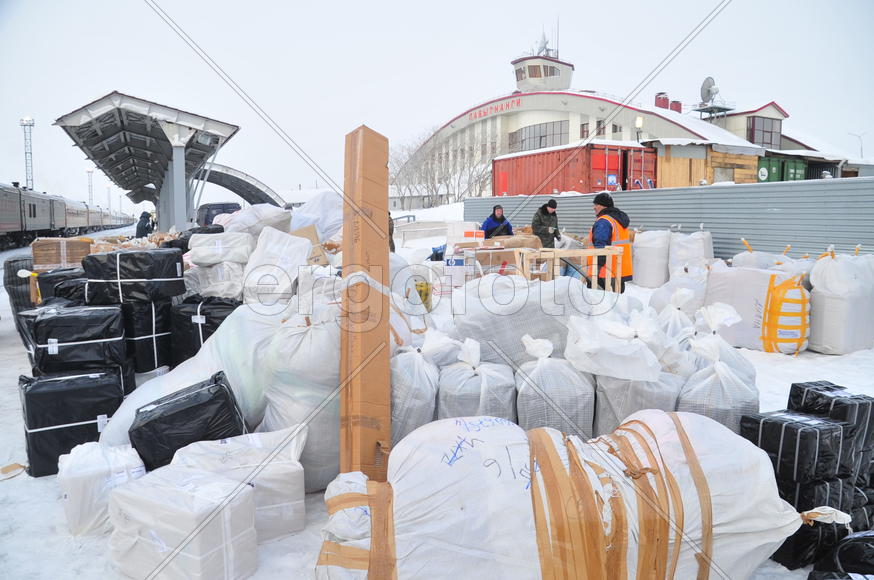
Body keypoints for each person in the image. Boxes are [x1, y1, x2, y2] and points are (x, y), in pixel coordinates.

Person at [587, 192, 633, 292]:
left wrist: (596, 271)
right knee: (615, 303)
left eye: (596, 204)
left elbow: (601, 249)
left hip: (604, 273)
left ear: (603, 206)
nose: (594, 207)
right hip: (617, 270)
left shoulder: (604, 221)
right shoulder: (618, 220)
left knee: (598, 304)